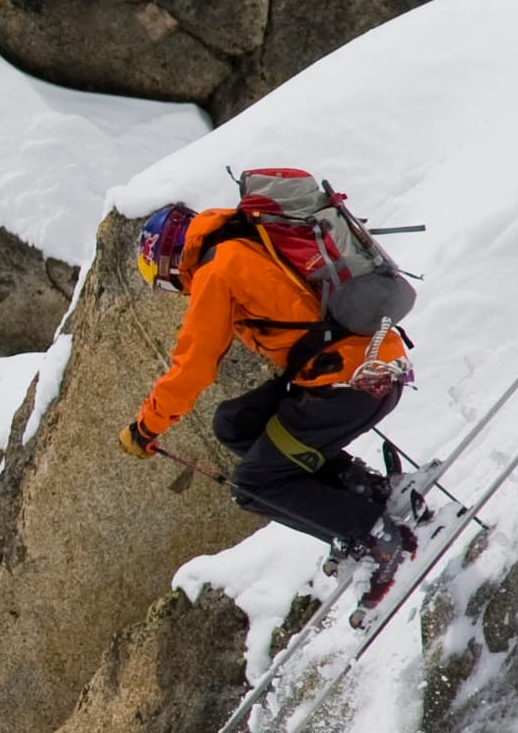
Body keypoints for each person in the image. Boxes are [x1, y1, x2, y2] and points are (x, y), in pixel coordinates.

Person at [121, 199, 418, 595]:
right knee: (234, 422)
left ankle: (374, 537)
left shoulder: (216, 270)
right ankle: (363, 488)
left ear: (172, 263)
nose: (175, 291)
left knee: (252, 486)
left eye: (163, 281)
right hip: (373, 364)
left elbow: (192, 367)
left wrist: (146, 427)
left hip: (348, 386)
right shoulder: (247, 237)